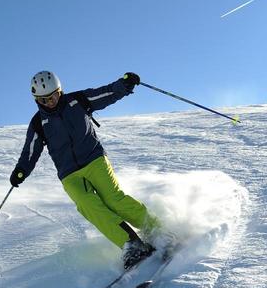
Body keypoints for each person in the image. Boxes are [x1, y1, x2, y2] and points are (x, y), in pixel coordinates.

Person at [10, 70, 162, 268]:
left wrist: (124, 85)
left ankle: (158, 230)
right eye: (44, 100)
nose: (50, 102)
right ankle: (131, 244)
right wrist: (21, 170)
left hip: (94, 159)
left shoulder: (78, 101)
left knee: (113, 199)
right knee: (88, 206)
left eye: (53, 96)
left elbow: (105, 93)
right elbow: (31, 150)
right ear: (36, 100)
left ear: (60, 91)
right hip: (69, 174)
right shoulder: (38, 122)